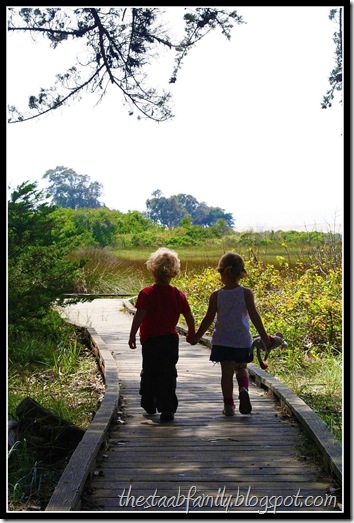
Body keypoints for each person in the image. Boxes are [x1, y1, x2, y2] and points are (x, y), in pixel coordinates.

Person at [187, 252, 272, 417]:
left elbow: (208, 318)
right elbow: (254, 316)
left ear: (223, 272)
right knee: (242, 369)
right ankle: (243, 389)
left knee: (226, 373)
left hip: (222, 341)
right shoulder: (246, 293)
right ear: (241, 273)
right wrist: (265, 337)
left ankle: (229, 406)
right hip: (241, 340)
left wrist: (197, 336)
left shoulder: (216, 295)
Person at [128, 247, 195, 422]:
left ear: (152, 270)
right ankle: (167, 408)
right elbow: (189, 315)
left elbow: (139, 316)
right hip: (170, 340)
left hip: (150, 340)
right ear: (174, 273)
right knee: (168, 372)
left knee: (150, 370)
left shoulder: (147, 293)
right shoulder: (178, 294)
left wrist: (132, 335)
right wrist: (192, 333)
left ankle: (149, 402)